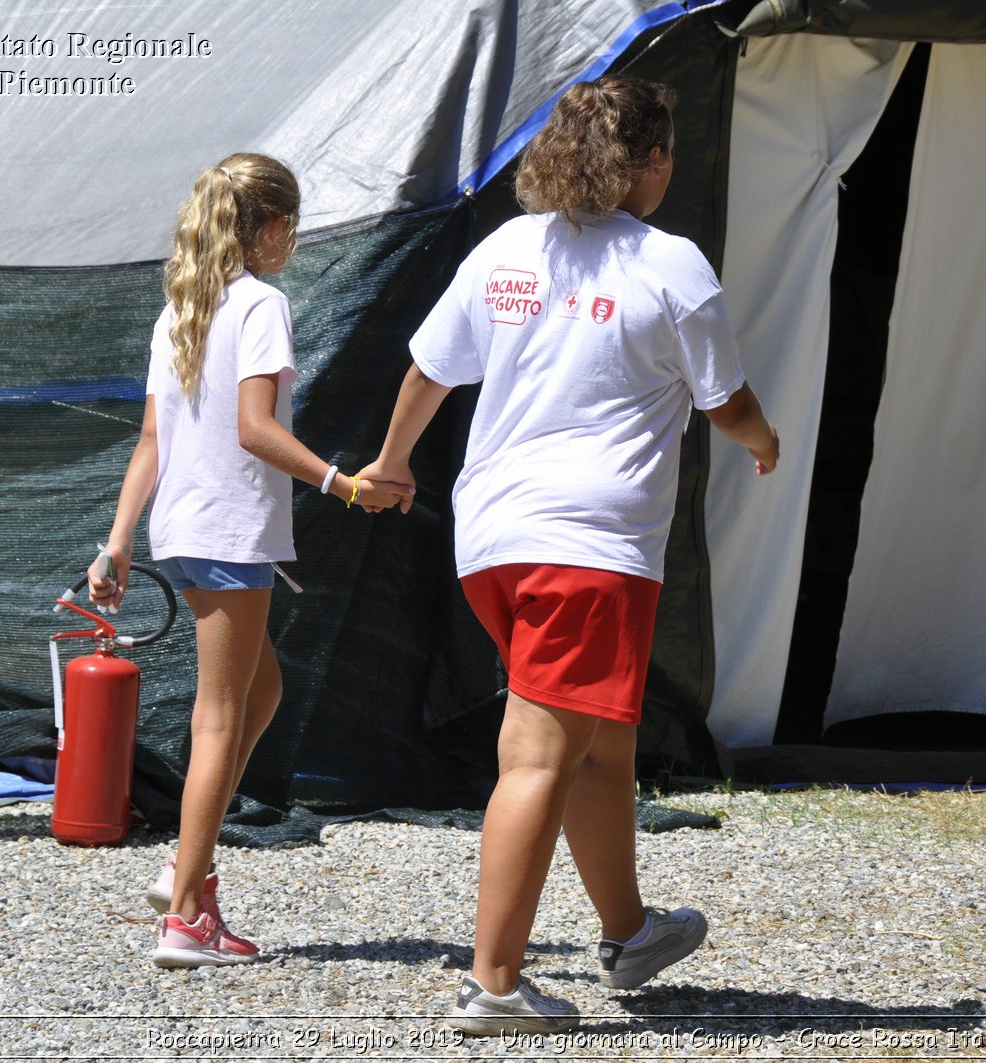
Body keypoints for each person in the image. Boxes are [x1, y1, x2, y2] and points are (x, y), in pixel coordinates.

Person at [357, 77, 779, 1033]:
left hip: (494, 542)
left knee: (600, 742)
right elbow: (728, 400)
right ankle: (494, 984)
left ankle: (630, 931)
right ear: (654, 162)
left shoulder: (507, 249)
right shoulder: (673, 266)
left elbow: (430, 368)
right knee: (541, 755)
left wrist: (389, 462)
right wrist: (763, 442)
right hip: (589, 549)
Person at [88, 152, 412, 968]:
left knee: (259, 688)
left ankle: (184, 868)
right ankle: (187, 915)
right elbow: (254, 430)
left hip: (183, 531)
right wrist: (347, 484)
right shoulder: (262, 304)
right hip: (231, 533)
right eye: (291, 227)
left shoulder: (180, 312)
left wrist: (120, 539)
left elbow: (152, 444)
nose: (292, 242)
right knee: (221, 715)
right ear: (270, 228)